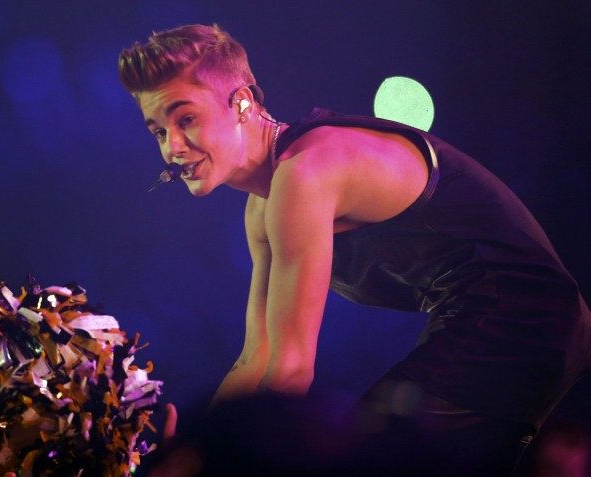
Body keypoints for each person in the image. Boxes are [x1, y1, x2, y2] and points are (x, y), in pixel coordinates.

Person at [118, 24, 591, 475]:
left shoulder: (306, 172)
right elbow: (255, 357)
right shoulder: (262, 208)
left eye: (186, 119)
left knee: (370, 453)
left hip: (524, 320)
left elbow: (290, 372)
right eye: (158, 131)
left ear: (241, 103)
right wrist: (190, 446)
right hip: (508, 322)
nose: (171, 148)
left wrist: (201, 459)